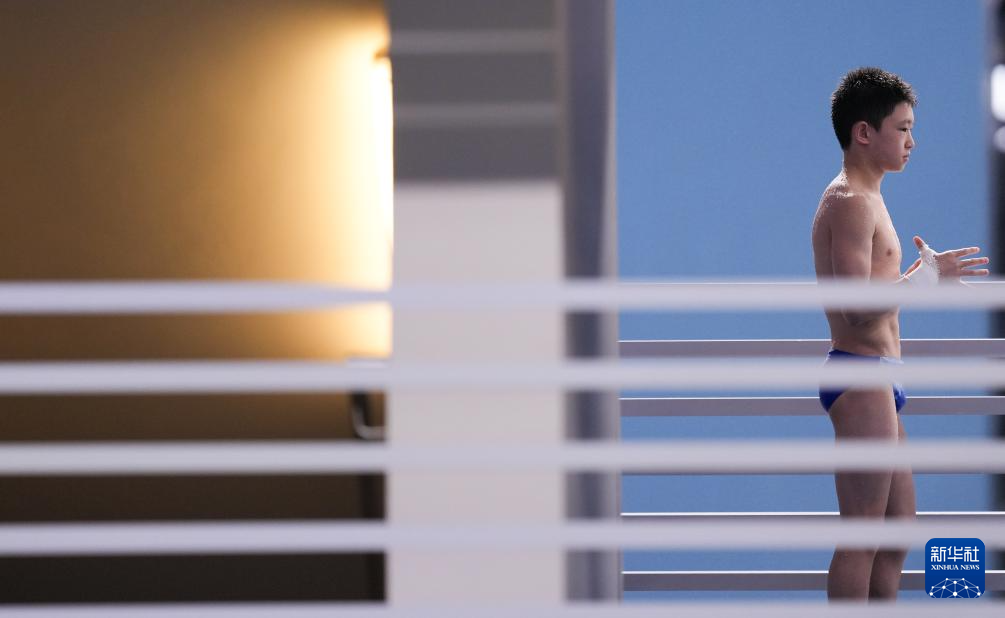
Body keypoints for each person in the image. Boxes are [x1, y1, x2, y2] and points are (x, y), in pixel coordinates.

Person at [810, 67, 990, 601]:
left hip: (880, 377)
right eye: (904, 128)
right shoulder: (849, 201)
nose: (913, 141)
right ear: (865, 133)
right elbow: (856, 308)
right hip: (861, 375)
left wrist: (921, 276)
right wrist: (924, 279)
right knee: (864, 535)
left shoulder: (869, 197)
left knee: (896, 532)